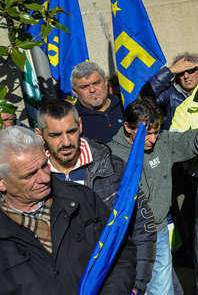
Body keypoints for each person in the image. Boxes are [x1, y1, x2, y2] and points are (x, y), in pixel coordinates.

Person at [108, 97, 198, 295]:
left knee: (161, 289)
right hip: (127, 237)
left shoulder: (163, 142)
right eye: (146, 134)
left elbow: (191, 141)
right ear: (127, 127)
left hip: (157, 232)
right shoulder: (111, 155)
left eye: (155, 132)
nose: (152, 139)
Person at [35, 99, 156, 295]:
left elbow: (142, 228)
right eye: (56, 135)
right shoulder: (36, 180)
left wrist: (137, 285)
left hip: (117, 282)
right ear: (39, 134)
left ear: (80, 125)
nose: (66, 142)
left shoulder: (113, 168)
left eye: (71, 131)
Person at [0, 126, 136, 293]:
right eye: (30, 175)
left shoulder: (81, 198)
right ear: (2, 182)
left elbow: (120, 251)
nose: (44, 178)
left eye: (44, 166)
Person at [144, 53, 198, 129]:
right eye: (181, 73)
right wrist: (170, 71)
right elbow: (147, 95)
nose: (186, 76)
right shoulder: (170, 92)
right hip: (175, 138)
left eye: (190, 71)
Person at [71, 61, 124, 144]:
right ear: (75, 92)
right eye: (85, 87)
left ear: (106, 83)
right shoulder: (72, 119)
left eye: (96, 83)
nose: (92, 90)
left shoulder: (125, 106)